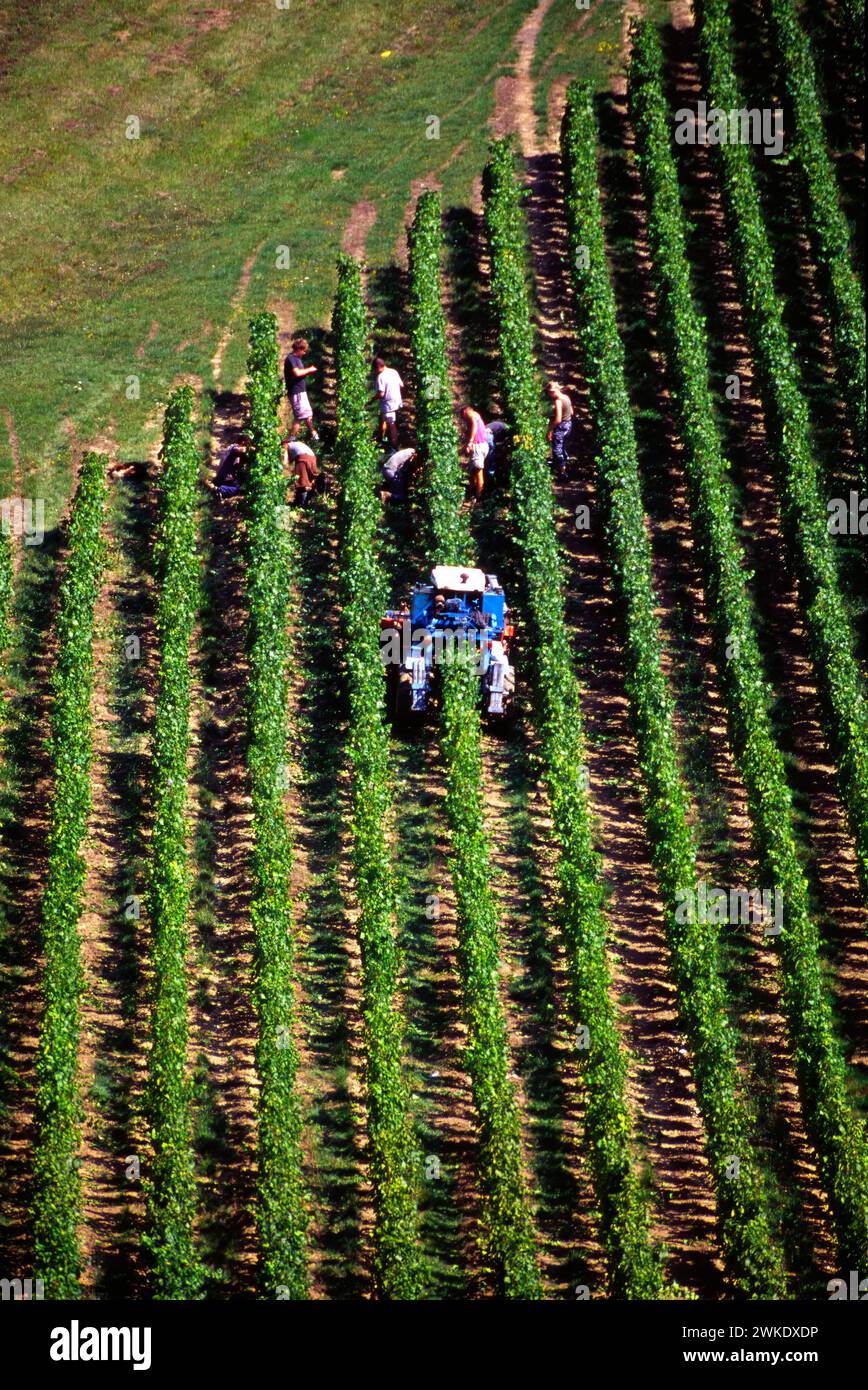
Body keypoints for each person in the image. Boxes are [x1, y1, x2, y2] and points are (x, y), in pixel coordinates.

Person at [284, 337, 320, 442]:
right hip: (296, 392)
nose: (304, 353)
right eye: (304, 350)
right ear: (299, 349)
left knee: (308, 413)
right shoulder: (291, 359)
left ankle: (313, 434)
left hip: (301, 392)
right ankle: (289, 439)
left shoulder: (298, 359)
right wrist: (310, 370)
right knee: (299, 417)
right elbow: (297, 373)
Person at [546, 381, 574, 480]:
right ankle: (562, 464)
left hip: (562, 426)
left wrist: (550, 429)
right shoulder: (566, 397)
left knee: (557, 449)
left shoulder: (558, 401)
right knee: (561, 445)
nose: (549, 395)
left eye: (549, 392)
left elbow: (558, 419)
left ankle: (563, 473)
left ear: (553, 391)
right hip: (568, 425)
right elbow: (571, 412)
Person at [374, 356, 404, 446]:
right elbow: (401, 385)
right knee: (382, 419)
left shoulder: (380, 377)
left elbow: (381, 394)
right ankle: (380, 439)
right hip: (397, 401)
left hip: (388, 404)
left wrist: (372, 400)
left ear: (378, 367)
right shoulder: (394, 371)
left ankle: (394, 445)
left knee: (391, 424)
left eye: (375, 370)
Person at [461, 406, 489, 499]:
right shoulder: (477, 415)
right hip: (483, 445)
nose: (464, 419)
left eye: (463, 416)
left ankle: (479, 495)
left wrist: (470, 442)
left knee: (478, 471)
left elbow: (474, 425)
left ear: (465, 412)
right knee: (473, 470)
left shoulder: (471, 414)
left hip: (478, 446)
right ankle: (474, 490)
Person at [282, 436, 319, 507]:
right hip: (312, 458)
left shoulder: (286, 446)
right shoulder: (297, 444)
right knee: (310, 481)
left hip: (303, 458)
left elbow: (285, 461)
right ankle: (310, 501)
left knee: (301, 483)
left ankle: (300, 504)